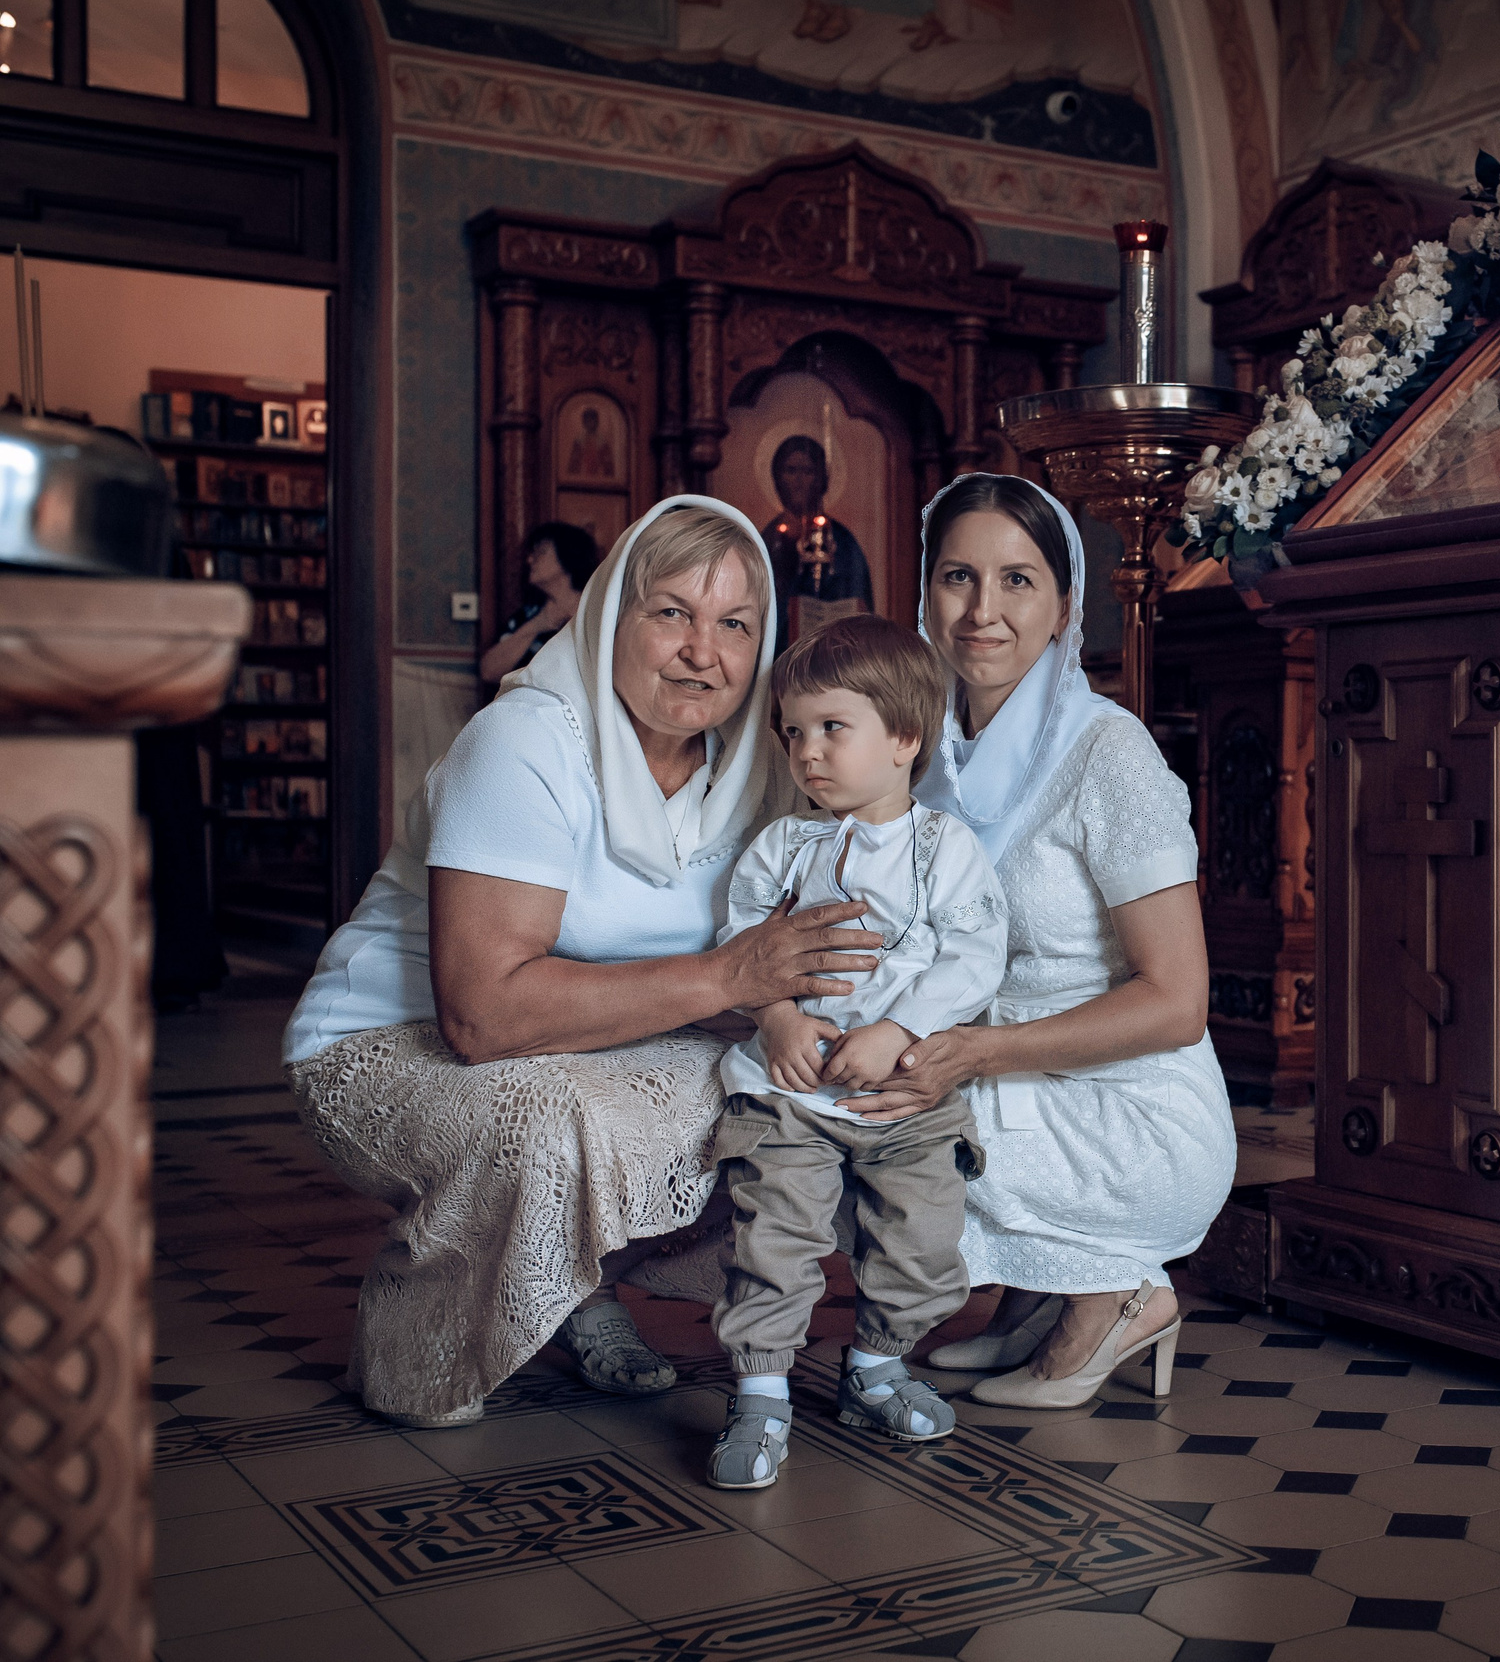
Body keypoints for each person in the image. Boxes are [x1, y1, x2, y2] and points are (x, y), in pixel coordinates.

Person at [281, 497, 885, 1428]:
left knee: (795, 1100)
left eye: (736, 625)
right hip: (389, 1048)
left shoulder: (760, 763)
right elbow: (480, 1017)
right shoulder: (523, 743)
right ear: (609, 616)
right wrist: (731, 976)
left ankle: (569, 1281)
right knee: (551, 1117)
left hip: (595, 1039)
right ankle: (416, 1351)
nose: (704, 652)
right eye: (672, 613)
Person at [839, 472, 1234, 1410]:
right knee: (817, 1091)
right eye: (958, 577)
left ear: (1065, 607)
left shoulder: (1109, 753)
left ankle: (1120, 1293)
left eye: (1018, 581)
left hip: (1134, 1116)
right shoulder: (927, 752)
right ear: (925, 593)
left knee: (861, 1133)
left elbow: (1177, 1003)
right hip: (1009, 1078)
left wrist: (972, 1051)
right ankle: (1037, 1295)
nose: (983, 610)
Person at [704, 616, 1008, 1488]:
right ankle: (760, 1395)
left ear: (904, 737)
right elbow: (740, 947)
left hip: (903, 1097)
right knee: (775, 1235)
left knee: (922, 1237)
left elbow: (974, 951)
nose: (808, 752)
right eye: (794, 731)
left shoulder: (944, 849)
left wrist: (899, 1030)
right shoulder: (782, 847)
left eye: (833, 727)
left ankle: (877, 1367)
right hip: (791, 1094)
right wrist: (778, 1020)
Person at [478, 522, 600, 684]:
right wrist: (538, 624)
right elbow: (488, 672)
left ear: (568, 556)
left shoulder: (598, 610)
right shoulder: (527, 615)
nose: (529, 560)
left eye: (540, 552)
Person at [763, 434, 874, 612]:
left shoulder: (842, 541)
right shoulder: (768, 539)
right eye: (791, 470)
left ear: (821, 479)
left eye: (807, 471)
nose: (798, 480)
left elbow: (857, 602)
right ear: (777, 478)